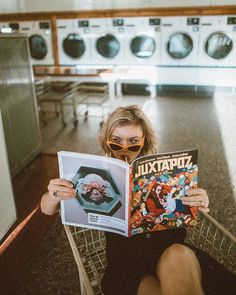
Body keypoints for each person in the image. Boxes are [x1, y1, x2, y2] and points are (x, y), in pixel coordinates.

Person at [40, 105, 236, 295]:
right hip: (127, 264)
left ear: (145, 141)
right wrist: (54, 194)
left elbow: (182, 205)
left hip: (168, 248)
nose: (124, 149)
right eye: (116, 141)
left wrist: (199, 199)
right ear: (107, 140)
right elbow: (46, 209)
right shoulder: (92, 173)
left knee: (178, 255)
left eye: (133, 142)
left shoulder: (165, 172)